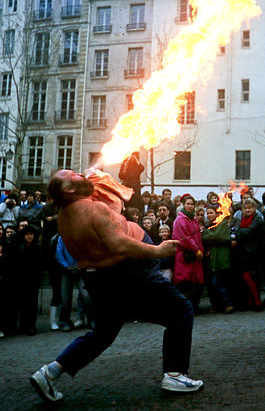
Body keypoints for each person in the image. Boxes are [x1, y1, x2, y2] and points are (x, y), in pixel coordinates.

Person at [30, 169, 203, 402]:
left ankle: (49, 373)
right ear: (69, 189)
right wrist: (158, 251)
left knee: (103, 334)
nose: (80, 174)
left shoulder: (64, 216)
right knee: (181, 311)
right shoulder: (93, 210)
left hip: (99, 278)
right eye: (74, 175)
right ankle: (175, 374)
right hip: (129, 271)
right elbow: (120, 245)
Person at [172, 195, 204, 314]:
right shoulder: (180, 220)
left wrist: (200, 250)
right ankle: (185, 309)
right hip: (185, 256)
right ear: (183, 205)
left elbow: (197, 237)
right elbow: (185, 239)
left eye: (192, 204)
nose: (190, 206)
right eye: (188, 204)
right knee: (185, 283)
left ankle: (194, 308)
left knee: (195, 283)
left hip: (195, 257)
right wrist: (197, 250)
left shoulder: (193, 219)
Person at [232, 198, 264, 311]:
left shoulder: (258, 219)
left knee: (251, 278)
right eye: (245, 208)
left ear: (254, 208)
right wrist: (240, 232)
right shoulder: (242, 219)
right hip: (244, 252)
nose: (248, 210)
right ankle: (250, 301)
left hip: (254, 252)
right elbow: (237, 230)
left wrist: (240, 231)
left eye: (250, 208)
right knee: (246, 278)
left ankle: (257, 302)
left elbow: (248, 232)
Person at [202, 205, 234, 314]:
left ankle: (228, 304)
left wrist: (206, 232)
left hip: (222, 258)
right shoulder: (209, 226)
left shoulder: (222, 223)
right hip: (213, 260)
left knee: (219, 283)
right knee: (214, 283)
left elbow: (219, 237)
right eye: (208, 213)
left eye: (211, 213)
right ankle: (220, 305)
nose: (209, 215)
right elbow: (207, 239)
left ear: (216, 214)